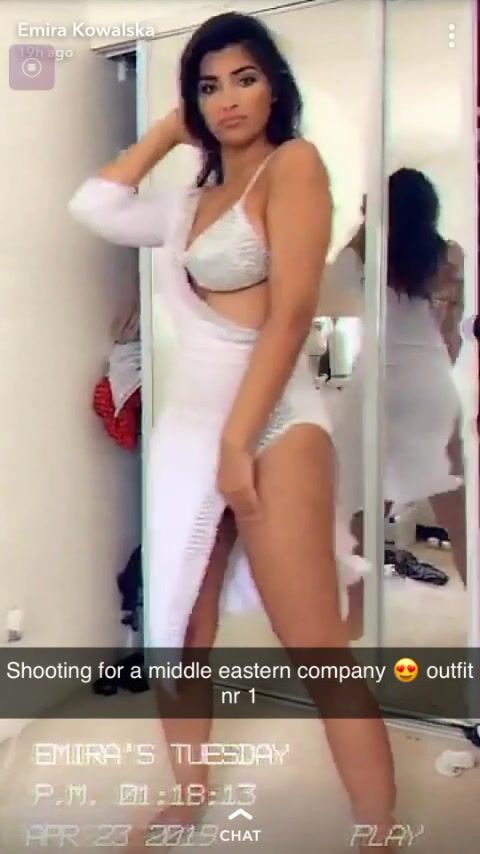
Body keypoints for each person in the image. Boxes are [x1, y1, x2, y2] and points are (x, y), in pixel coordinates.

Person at [69, 12, 396, 849]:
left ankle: (380, 829)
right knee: (179, 628)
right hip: (191, 424)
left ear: (274, 87)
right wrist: (168, 129)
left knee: (313, 642)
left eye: (244, 78)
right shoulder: (188, 202)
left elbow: (290, 314)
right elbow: (94, 205)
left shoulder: (295, 165)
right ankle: (187, 795)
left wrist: (236, 444)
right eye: (208, 87)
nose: (228, 100)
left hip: (274, 420)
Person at [331, 169, 465, 635]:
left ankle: (354, 625)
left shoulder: (363, 252)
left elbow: (330, 294)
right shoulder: (448, 258)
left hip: (377, 385)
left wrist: (364, 228)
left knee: (362, 511)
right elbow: (451, 339)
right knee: (459, 514)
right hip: (430, 382)